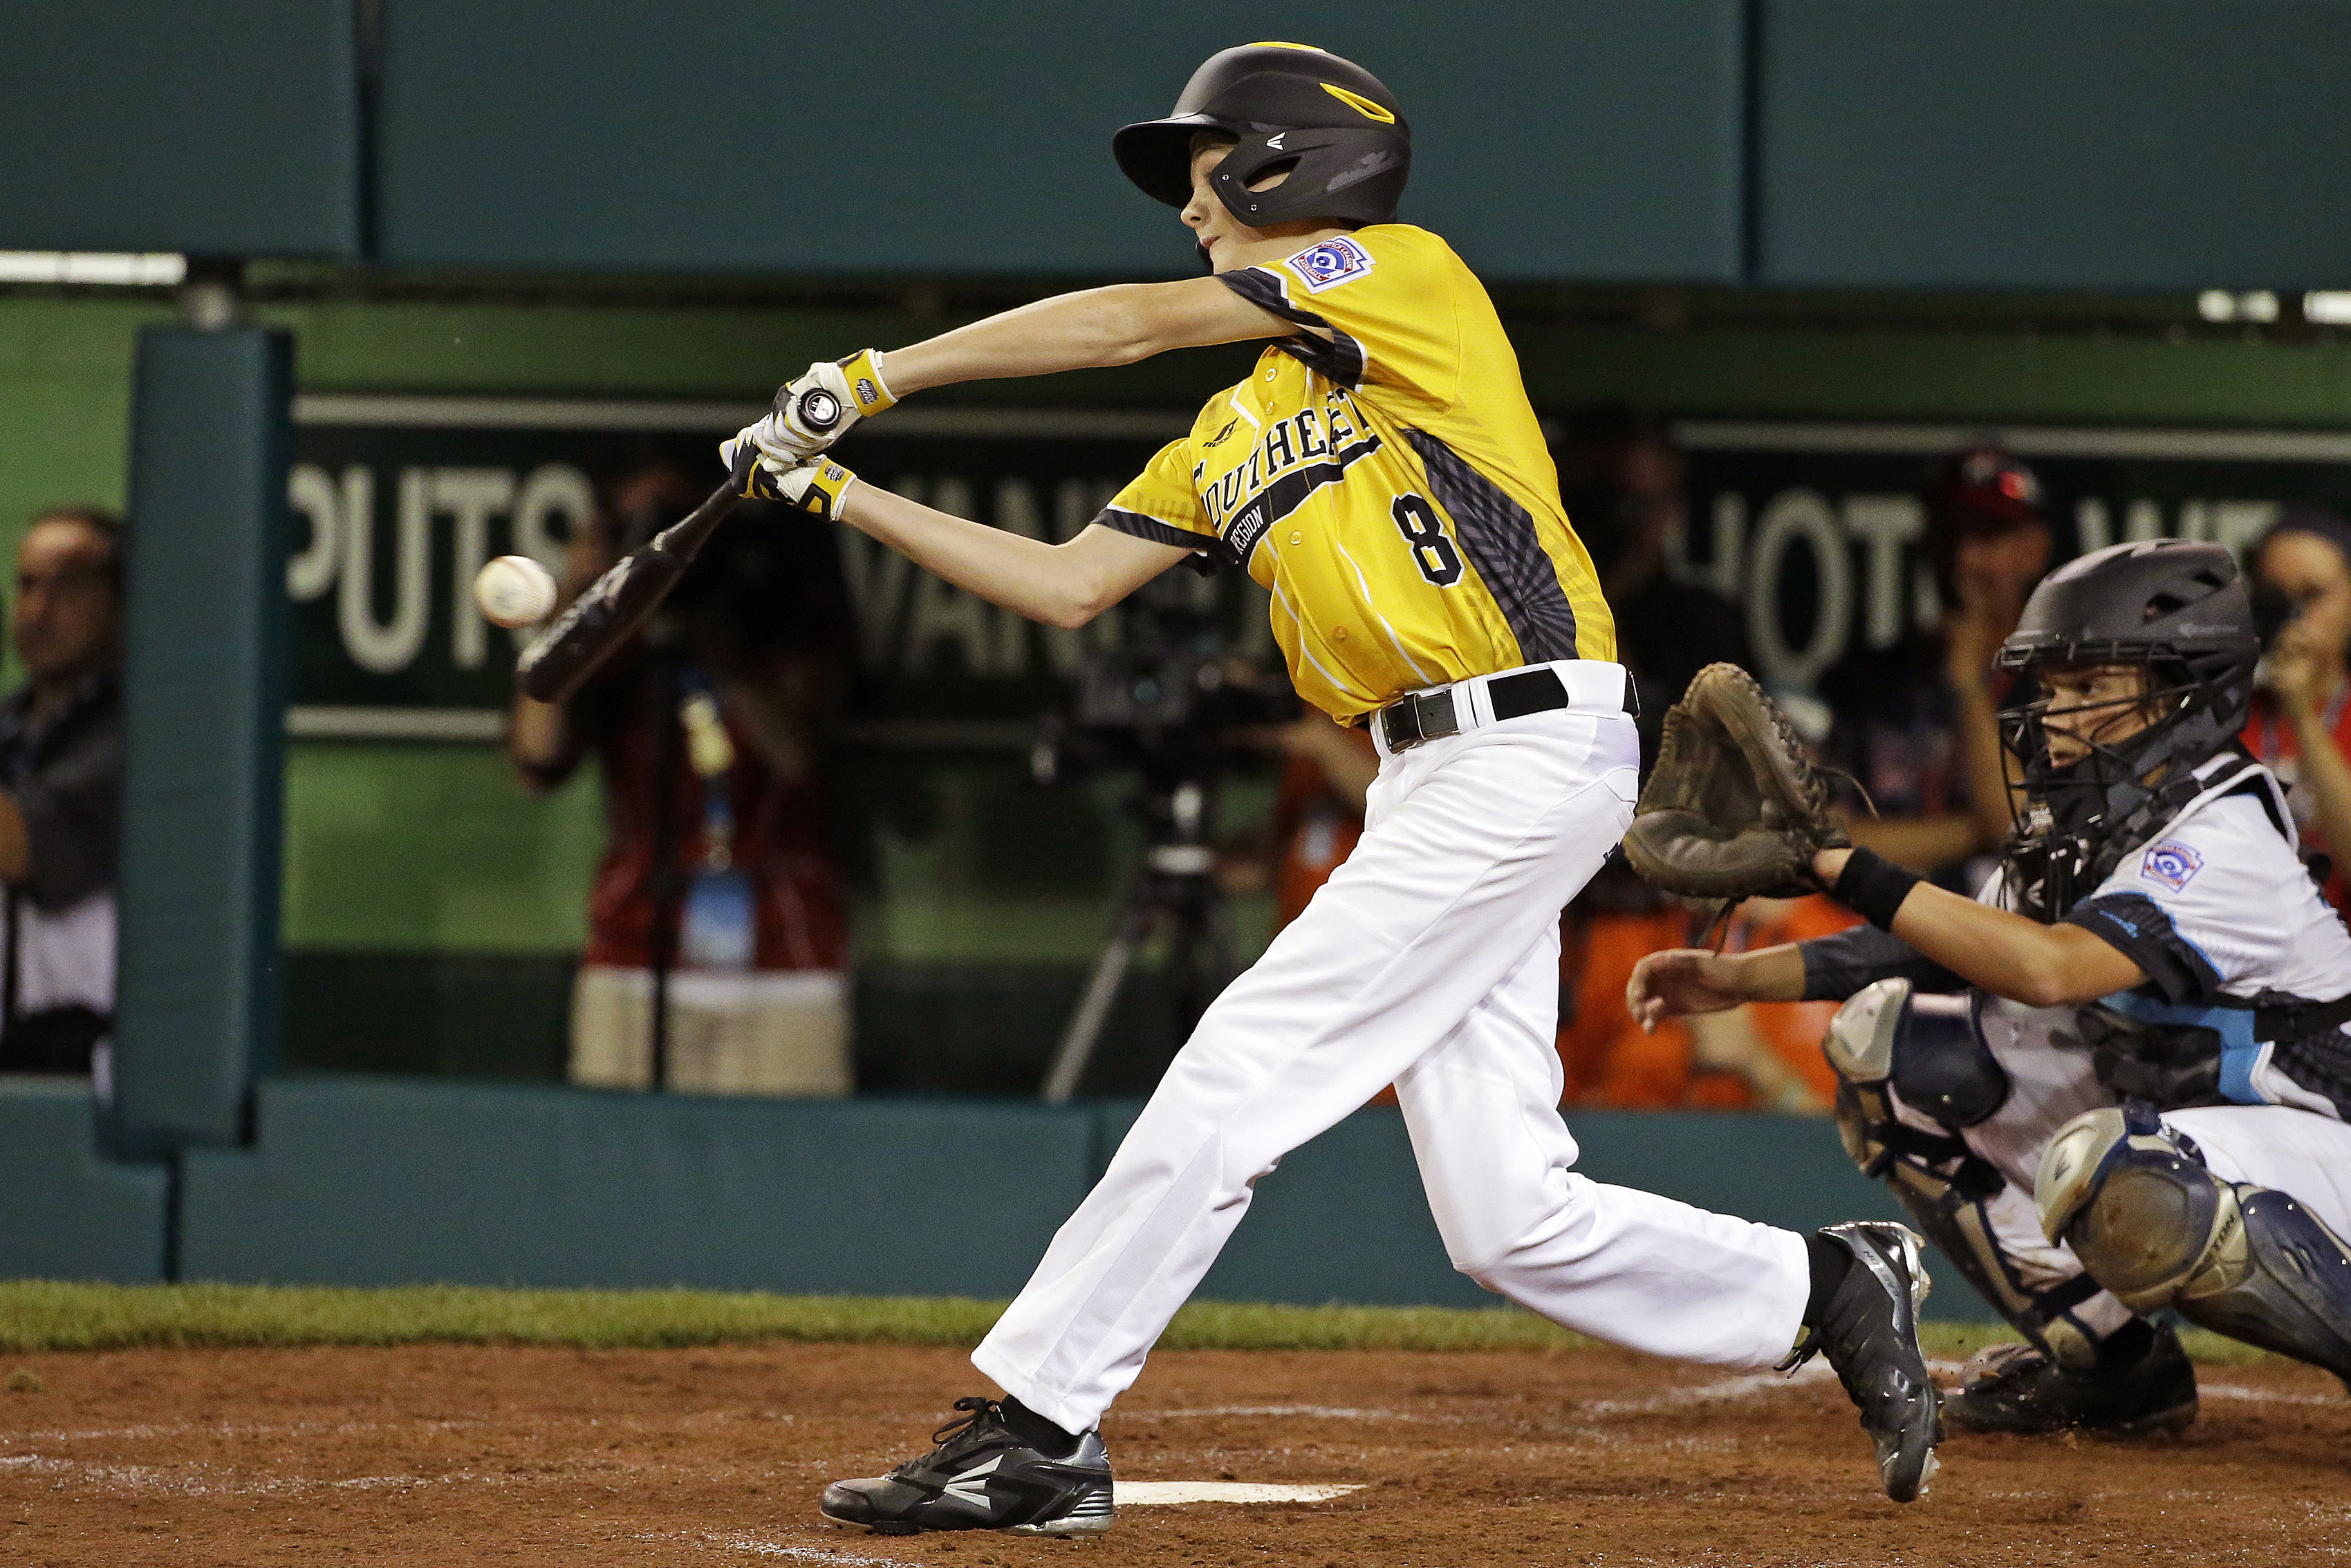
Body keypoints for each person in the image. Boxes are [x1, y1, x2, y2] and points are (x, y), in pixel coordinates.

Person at [721, 44, 1940, 1536]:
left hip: (1526, 736)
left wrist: (877, 377)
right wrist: (841, 491)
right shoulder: (1226, 432)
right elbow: (1064, 584)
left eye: (1205, 175)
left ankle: (1040, 1427)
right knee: (1503, 1213)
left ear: (1288, 162)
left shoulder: (1400, 275)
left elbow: (1125, 326)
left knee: (1242, 1064)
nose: (1189, 209)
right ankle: (1820, 1282)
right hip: (1419, 775)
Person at [1632, 539, 2351, 1435]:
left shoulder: (2221, 834)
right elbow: (1940, 948)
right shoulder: (2096, 824)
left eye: (2091, 687)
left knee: (2127, 1166)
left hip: (2327, 1139)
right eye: (2053, 686)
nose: (2056, 711)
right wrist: (1737, 977)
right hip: (2231, 1130)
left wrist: (1839, 863)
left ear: (2182, 694)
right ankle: (2113, 1369)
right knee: (1897, 1051)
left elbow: (2050, 970)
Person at [509, 454, 854, 1097]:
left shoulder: (783, 617)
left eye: (678, 526)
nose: (662, 548)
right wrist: (577, 610)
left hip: (782, 955)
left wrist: (716, 641)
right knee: (612, 1150)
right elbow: (536, 755)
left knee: (792, 1154)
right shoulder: (610, 646)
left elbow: (798, 757)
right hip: (634, 950)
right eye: (641, 531)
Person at [1821, 447, 2045, 884]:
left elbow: (2022, 833)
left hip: (2003, 918)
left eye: (1988, 537)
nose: (1964, 558)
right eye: (1950, 534)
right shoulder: (1865, 681)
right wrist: (1973, 830)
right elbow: (1824, 838)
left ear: (2035, 549)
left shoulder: (2062, 687)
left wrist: (1968, 685)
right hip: (1870, 915)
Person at [0, 507, 124, 1076]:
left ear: (121, 601)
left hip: (92, 1059)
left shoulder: (147, 735)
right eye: (28, 585)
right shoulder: (14, 722)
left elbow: (21, 845)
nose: (38, 610)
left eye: (67, 587)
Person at [2242, 505, 2351, 919]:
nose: (2293, 617)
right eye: (2275, 597)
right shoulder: (2223, 715)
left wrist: (2302, 714)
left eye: (2312, 594)